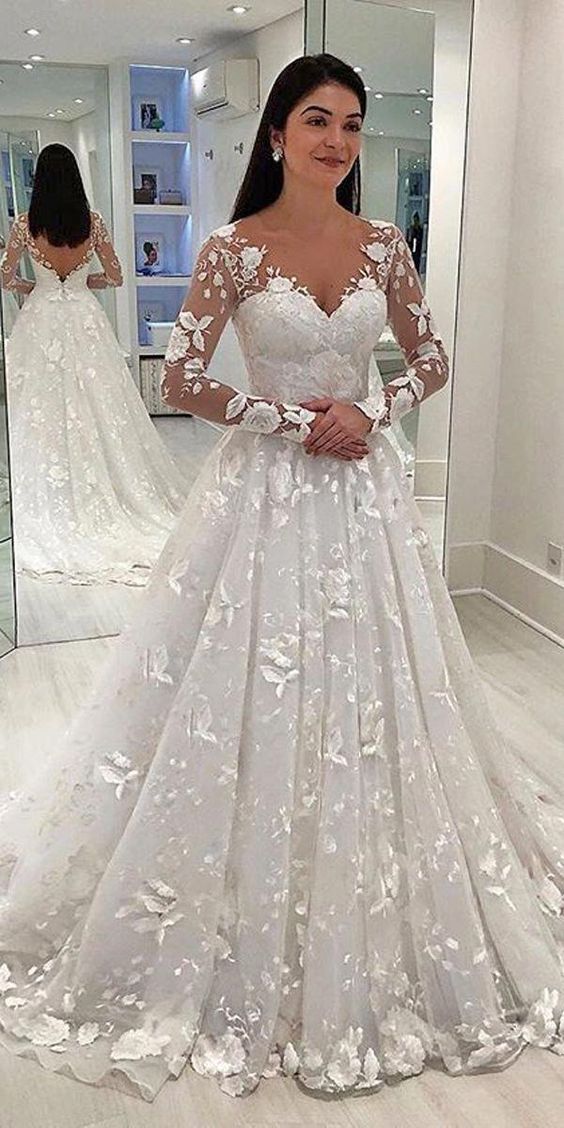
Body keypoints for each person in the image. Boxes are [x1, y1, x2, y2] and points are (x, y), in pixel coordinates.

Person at [0, 55, 562, 1104]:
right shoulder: (232, 248)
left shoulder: (384, 244)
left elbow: (432, 357)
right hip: (264, 494)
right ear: (275, 134)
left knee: (381, 681)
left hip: (365, 496)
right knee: (244, 680)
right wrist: (293, 418)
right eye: (316, 120)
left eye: (351, 123)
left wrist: (374, 409)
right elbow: (181, 378)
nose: (337, 141)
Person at [0, 144, 187, 585]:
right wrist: (84, 283)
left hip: (41, 319)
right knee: (99, 402)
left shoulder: (25, 225)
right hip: (85, 317)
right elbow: (117, 276)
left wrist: (36, 287)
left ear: (40, 180)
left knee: (39, 407)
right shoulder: (93, 222)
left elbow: (5, 277)